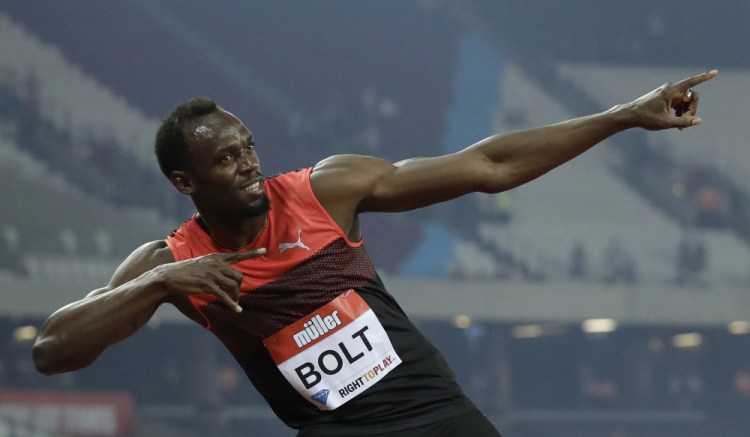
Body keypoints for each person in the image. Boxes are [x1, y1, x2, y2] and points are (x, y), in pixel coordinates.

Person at [31, 69, 717, 436]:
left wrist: (624, 114)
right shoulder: (171, 261)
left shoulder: (325, 191)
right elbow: (54, 348)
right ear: (185, 181)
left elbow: (489, 166)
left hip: (440, 417)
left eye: (248, 147)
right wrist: (159, 284)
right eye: (224, 158)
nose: (246, 164)